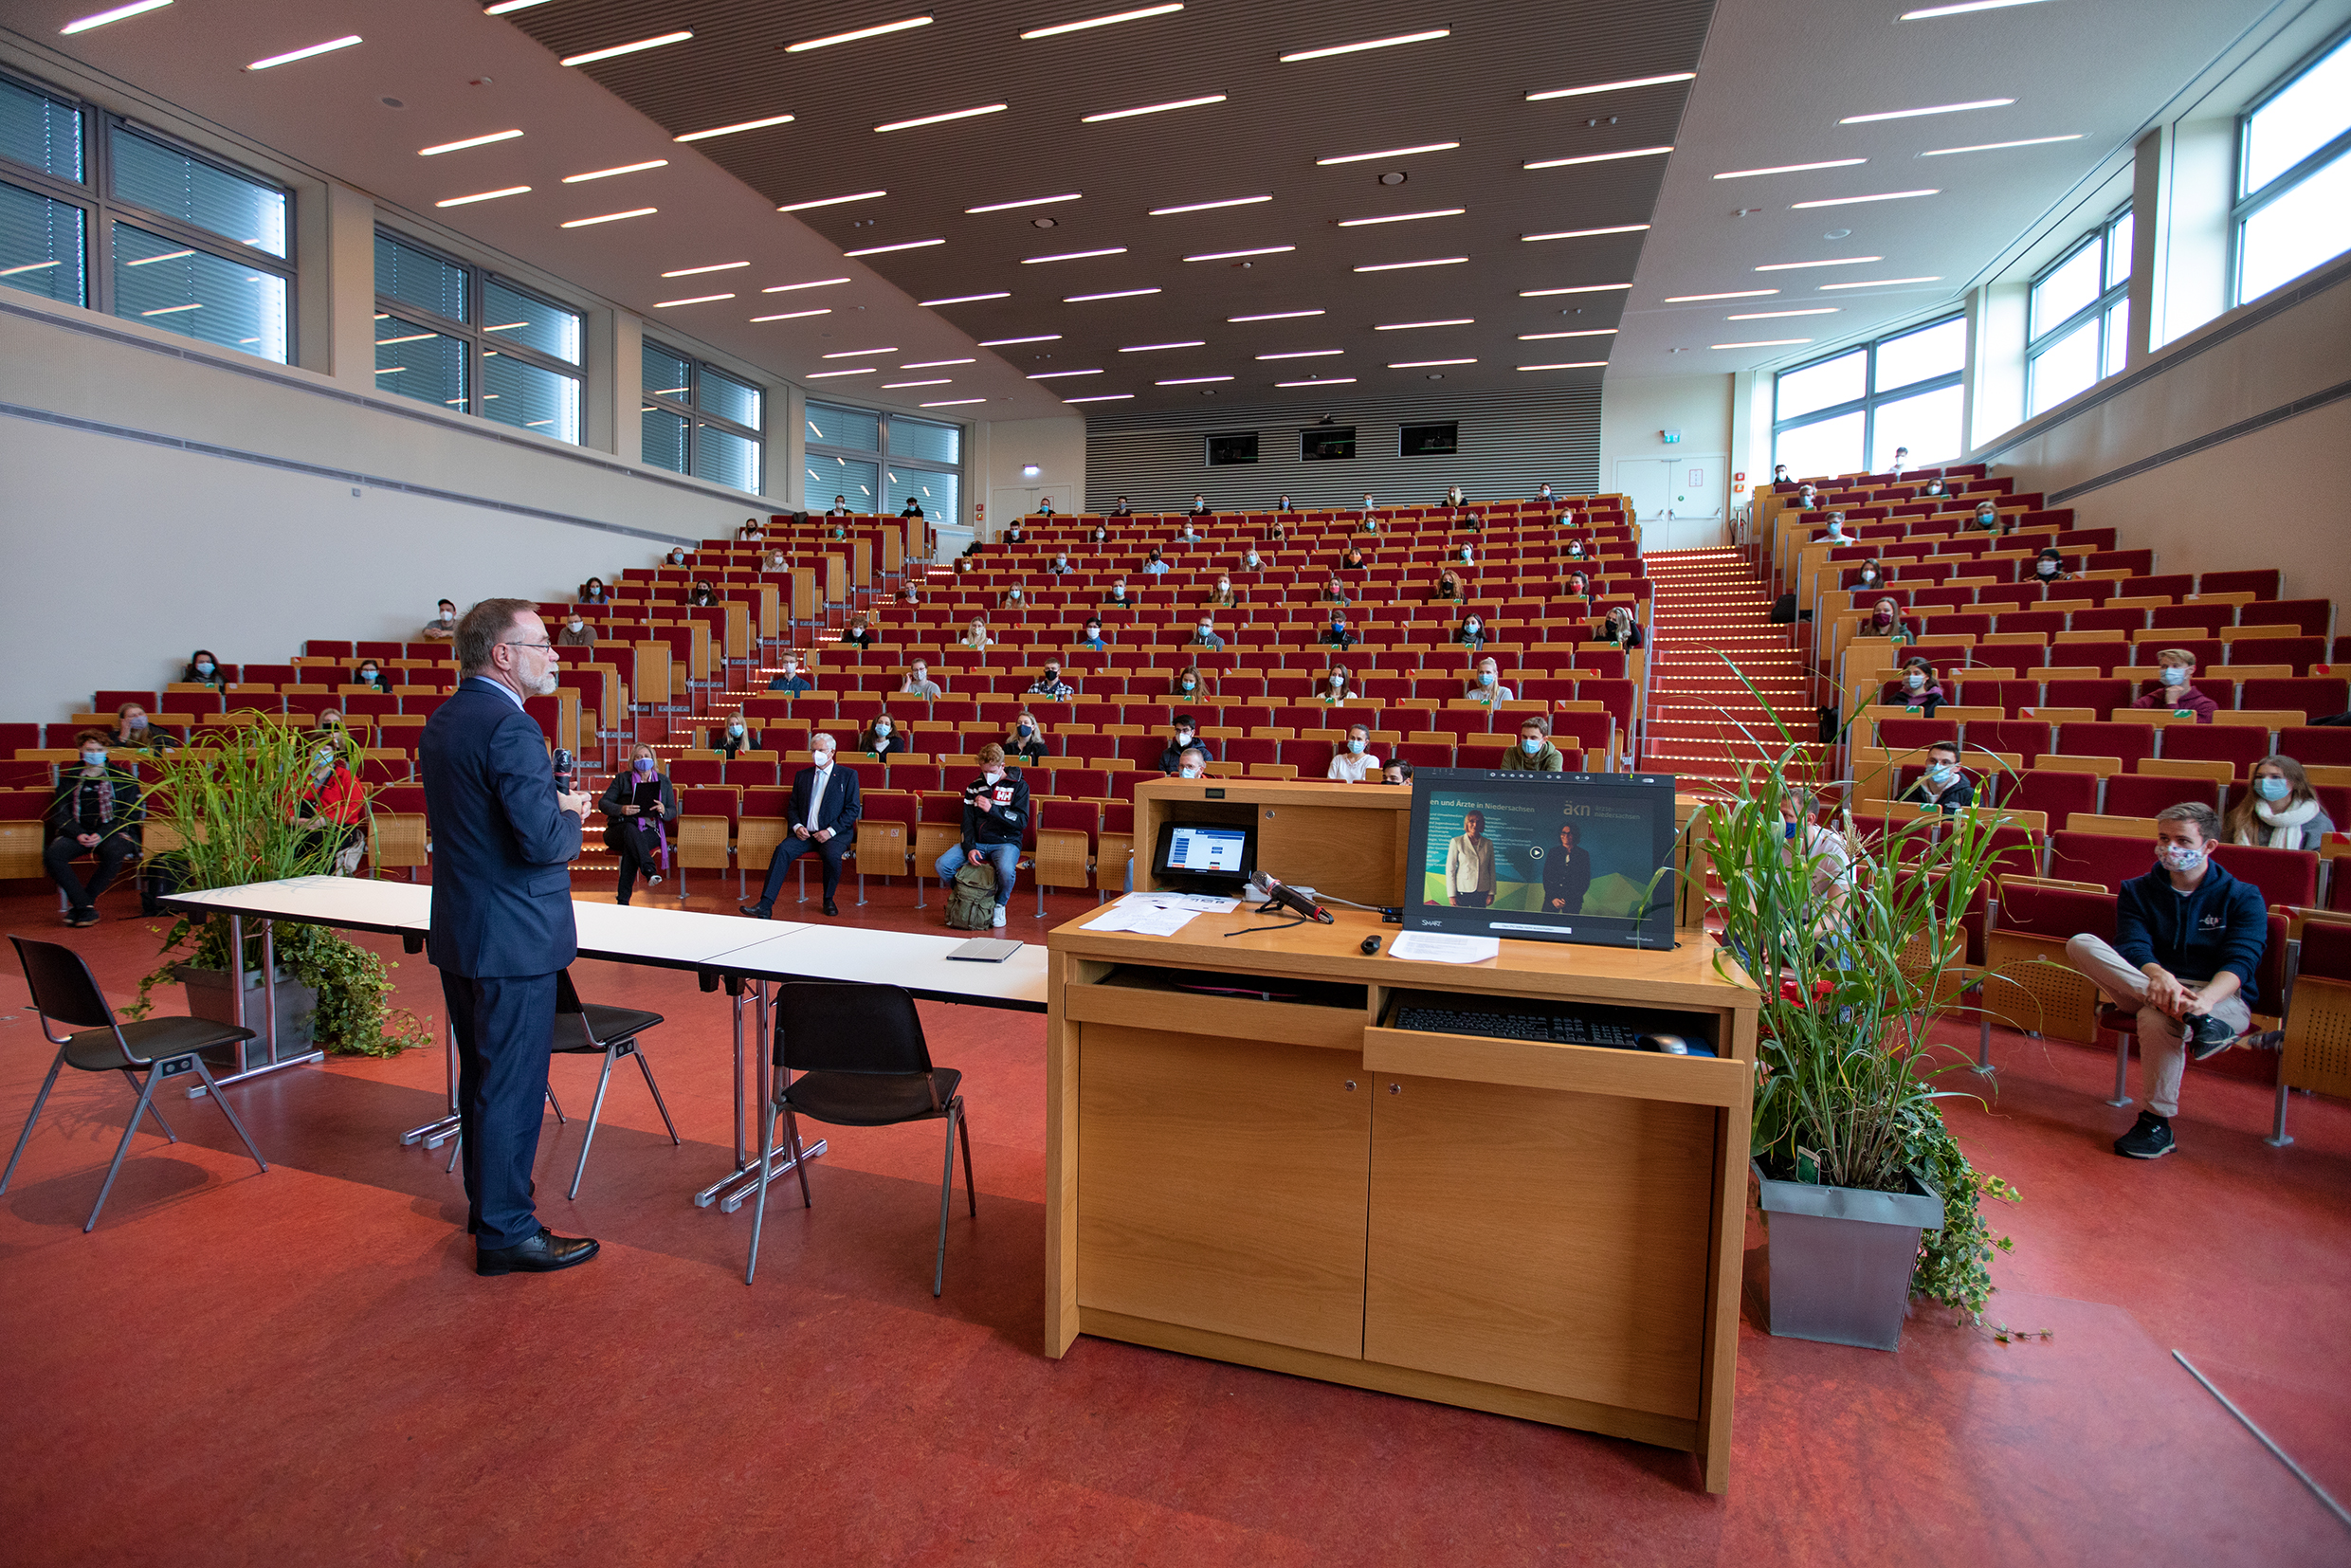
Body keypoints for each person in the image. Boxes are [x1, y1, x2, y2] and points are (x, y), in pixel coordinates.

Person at [418, 596, 595, 1276]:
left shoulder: (446, 720)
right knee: (513, 1087)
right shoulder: (512, 729)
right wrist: (571, 812)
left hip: (465, 929)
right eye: (543, 643)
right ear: (503, 654)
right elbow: (540, 843)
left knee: (484, 1082)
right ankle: (506, 1232)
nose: (555, 654)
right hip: (514, 939)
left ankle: (487, 1208)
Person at [2066, 803, 2267, 1159]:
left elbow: (2242, 959)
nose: (2169, 848)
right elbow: (2133, 943)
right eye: (2163, 838)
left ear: (2209, 847)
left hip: (2219, 999)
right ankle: (2195, 1022)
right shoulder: (2138, 889)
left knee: (2155, 1017)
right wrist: (2159, 976)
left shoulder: (2243, 895)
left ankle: (2156, 1123)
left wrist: (2203, 1002)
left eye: (2182, 840)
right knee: (2081, 943)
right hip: (2145, 983)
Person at [739, 731, 861, 919]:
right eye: (813, 750)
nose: (816, 754)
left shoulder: (848, 775)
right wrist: (797, 826)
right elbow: (793, 806)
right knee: (782, 850)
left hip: (834, 834)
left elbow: (852, 809)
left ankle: (828, 899)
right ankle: (765, 904)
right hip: (805, 834)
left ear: (832, 752)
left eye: (820, 750)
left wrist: (830, 831)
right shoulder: (802, 776)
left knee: (831, 855)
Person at [46, 733, 142, 927]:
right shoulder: (69, 779)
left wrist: (102, 834)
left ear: (107, 751)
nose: (94, 754)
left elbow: (128, 815)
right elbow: (61, 813)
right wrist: (78, 833)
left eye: (99, 750)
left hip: (112, 832)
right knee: (53, 855)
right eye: (90, 750)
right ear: (81, 750)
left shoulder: (123, 778)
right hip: (77, 832)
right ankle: (84, 907)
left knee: (115, 851)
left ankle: (82, 906)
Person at [937, 744, 1029, 928]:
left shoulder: (1019, 786)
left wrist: (993, 809)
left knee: (1005, 870)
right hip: (978, 842)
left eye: (992, 771)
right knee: (943, 865)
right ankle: (968, 897)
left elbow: (1021, 821)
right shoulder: (974, 787)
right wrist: (969, 847)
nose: (987, 775)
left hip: (1006, 842)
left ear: (1002, 766)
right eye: (983, 771)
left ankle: (999, 904)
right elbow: (967, 822)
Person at [598, 745, 674, 906]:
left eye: (646, 756)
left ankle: (623, 901)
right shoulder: (622, 779)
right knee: (630, 830)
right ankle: (649, 870)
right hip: (618, 829)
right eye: (638, 757)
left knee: (632, 845)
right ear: (633, 761)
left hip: (650, 830)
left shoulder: (664, 782)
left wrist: (663, 810)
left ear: (653, 760)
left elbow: (672, 811)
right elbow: (603, 803)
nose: (643, 759)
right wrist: (621, 809)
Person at [2225, 755, 2336, 848]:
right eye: (2260, 777)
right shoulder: (2239, 815)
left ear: (2294, 782)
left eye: (2275, 777)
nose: (2265, 782)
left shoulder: (2318, 822)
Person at [293, 740, 367, 874]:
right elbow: (284, 804)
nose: (320, 752)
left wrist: (325, 820)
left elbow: (354, 805)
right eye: (315, 749)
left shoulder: (346, 776)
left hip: (339, 826)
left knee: (321, 840)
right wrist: (294, 820)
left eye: (325, 749)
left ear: (334, 752)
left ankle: (326, 879)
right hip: (302, 825)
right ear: (309, 753)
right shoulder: (296, 777)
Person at [2131, 648, 2217, 722]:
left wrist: (2172, 703)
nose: (2168, 670)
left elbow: (2186, 733)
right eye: (2164, 666)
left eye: (2176, 666)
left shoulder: (2205, 705)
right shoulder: (2146, 702)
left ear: (2191, 669)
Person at [1900, 740, 1974, 811]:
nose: (1937, 767)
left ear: (1957, 767)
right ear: (1926, 763)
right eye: (1933, 761)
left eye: (1945, 762)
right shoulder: (1907, 794)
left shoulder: (1970, 796)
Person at [1446, 810, 1497, 907]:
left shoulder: (1488, 843)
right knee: (1460, 920)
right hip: (1462, 890)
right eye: (1471, 821)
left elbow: (1492, 869)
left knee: (1479, 920)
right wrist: (1451, 895)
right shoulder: (1456, 842)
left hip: (1482, 891)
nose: (1475, 824)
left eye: (1478, 821)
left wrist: (1491, 892)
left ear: (1482, 824)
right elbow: (1450, 870)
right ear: (1466, 823)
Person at [1543, 822, 1593, 914]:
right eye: (1563, 833)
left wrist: (1568, 899)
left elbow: (1584, 880)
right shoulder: (1553, 852)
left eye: (1569, 833)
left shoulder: (1583, 854)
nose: (1566, 836)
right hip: (1552, 899)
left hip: (1573, 900)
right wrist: (1553, 898)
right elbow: (1547, 877)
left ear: (1575, 835)